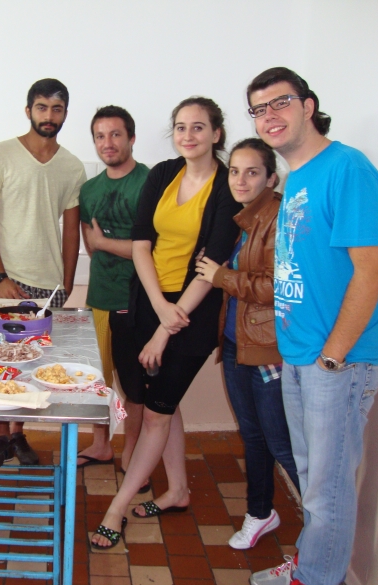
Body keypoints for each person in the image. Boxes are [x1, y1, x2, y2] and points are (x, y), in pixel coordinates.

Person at [244, 68, 378, 585]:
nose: (269, 116)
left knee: (328, 489)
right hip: (301, 355)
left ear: (308, 106)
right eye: (259, 109)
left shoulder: (347, 168)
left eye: (280, 103)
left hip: (338, 361)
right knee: (309, 477)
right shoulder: (298, 176)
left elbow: (371, 271)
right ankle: (310, 565)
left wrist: (332, 357)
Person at [90, 97, 240, 549]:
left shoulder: (227, 185)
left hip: (193, 312)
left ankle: (116, 509)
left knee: (156, 414)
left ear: (216, 133)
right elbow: (141, 243)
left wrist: (166, 326)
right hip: (150, 300)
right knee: (163, 401)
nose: (188, 135)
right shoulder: (162, 174)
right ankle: (176, 490)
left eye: (198, 127)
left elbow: (212, 265)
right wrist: (157, 305)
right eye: (180, 127)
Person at [195, 138, 300, 550]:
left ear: (271, 178)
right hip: (238, 343)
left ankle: (322, 526)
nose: (240, 180)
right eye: (235, 171)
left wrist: (221, 276)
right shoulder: (245, 218)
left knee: (281, 444)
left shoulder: (278, 219)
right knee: (253, 435)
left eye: (252, 172)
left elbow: (278, 286)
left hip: (268, 350)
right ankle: (260, 512)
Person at [0, 78, 85, 468]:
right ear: (28, 111)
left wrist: (67, 282)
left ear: (65, 114)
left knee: (31, 363)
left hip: (47, 284)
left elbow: (71, 229)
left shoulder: (72, 166)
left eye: (57, 109)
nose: (49, 115)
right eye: (42, 107)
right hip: (6, 280)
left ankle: (19, 435)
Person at [75, 106, 150, 496]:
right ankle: (101, 444)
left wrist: (106, 243)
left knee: (134, 386)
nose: (108, 143)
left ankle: (132, 450)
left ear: (131, 138)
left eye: (116, 134)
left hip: (136, 301)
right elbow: (90, 244)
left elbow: (152, 249)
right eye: (100, 136)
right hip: (99, 299)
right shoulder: (89, 191)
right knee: (97, 381)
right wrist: (103, 245)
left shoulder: (150, 183)